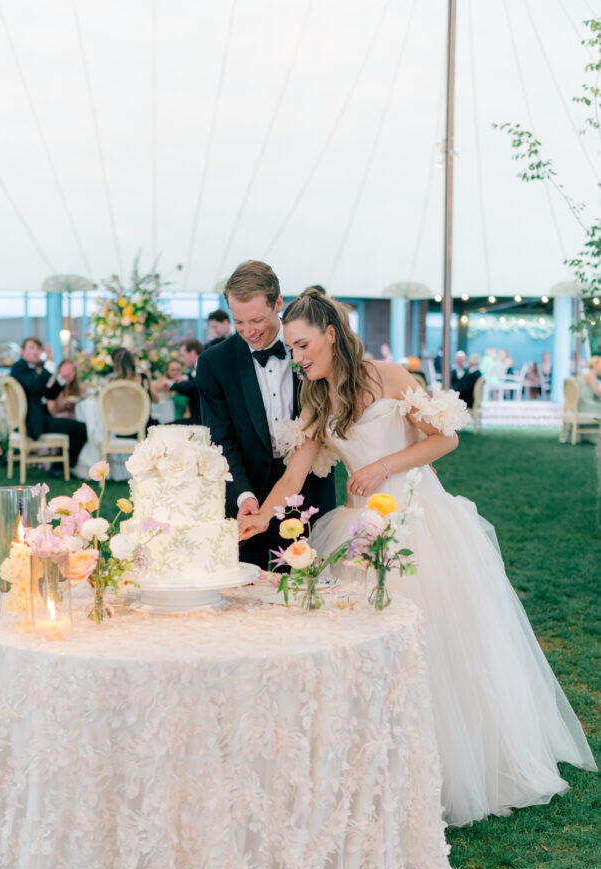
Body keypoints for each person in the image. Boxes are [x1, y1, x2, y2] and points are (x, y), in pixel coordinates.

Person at [239, 288, 596, 827]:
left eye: (304, 344)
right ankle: (382, 761)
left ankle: (455, 762)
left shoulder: (390, 377)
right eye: (291, 349)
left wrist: (383, 467)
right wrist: (262, 515)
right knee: (369, 649)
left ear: (331, 334)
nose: (299, 358)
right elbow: (293, 475)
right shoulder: (314, 399)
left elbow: (444, 438)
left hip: (420, 520)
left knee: (440, 645)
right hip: (361, 535)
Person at [196, 261, 335, 570]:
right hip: (249, 489)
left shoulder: (310, 348)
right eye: (238, 322)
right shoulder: (213, 364)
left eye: (256, 319)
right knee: (250, 590)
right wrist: (243, 495)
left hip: (310, 484)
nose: (248, 331)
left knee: (312, 586)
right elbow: (221, 439)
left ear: (278, 303)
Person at [9, 337, 87, 470]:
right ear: (22, 351)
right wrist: (49, 366)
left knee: (77, 427)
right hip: (31, 423)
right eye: (31, 348)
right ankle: (60, 468)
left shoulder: (30, 370)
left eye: (38, 349)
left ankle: (60, 467)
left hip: (39, 420)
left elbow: (49, 394)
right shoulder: (18, 368)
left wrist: (63, 378)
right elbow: (34, 386)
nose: (36, 352)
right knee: (80, 429)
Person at [158, 339, 202, 422]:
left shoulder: (203, 366)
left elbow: (194, 385)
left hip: (200, 420)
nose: (182, 359)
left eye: (183, 355)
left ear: (192, 353)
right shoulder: (194, 370)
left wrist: (171, 383)